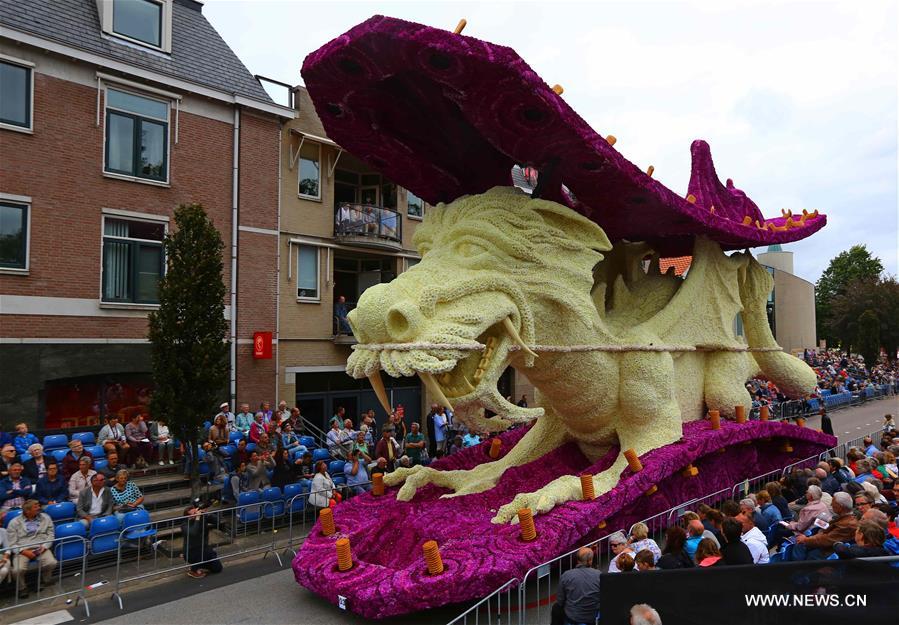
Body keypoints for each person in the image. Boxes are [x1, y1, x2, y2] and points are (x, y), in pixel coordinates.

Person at [7, 500, 57, 597]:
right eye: (35, 507)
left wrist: (44, 547)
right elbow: (12, 543)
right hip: (22, 549)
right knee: (17, 570)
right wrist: (23, 551)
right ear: (27, 511)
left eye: (38, 505)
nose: (39, 508)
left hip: (41, 547)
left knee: (52, 563)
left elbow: (50, 535)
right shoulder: (14, 522)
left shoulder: (46, 518)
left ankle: (44, 581)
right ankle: (22, 588)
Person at [792, 492, 857, 560]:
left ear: (840, 507)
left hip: (829, 550)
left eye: (833, 503)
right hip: (827, 544)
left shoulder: (847, 524)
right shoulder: (846, 518)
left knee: (800, 544)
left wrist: (805, 540)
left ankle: (797, 569)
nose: (831, 504)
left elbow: (827, 539)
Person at [555, 546, 600, 625]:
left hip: (571, 617)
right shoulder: (599, 575)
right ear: (590, 561)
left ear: (578, 560)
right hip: (590, 617)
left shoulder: (566, 575)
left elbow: (560, 600)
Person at [183, 505, 223, 579]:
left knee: (217, 568)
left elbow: (217, 521)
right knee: (205, 553)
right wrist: (197, 518)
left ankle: (201, 565)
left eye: (196, 511)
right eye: (194, 513)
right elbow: (194, 532)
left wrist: (207, 514)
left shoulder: (202, 518)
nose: (197, 513)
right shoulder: (184, 525)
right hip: (191, 552)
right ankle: (194, 569)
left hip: (205, 549)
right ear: (189, 517)